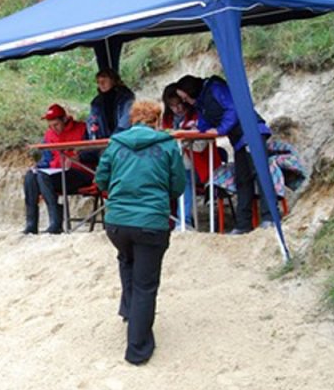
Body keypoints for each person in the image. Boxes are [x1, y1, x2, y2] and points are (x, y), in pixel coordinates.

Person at [95, 100, 186, 365]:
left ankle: (129, 311)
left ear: (133, 119)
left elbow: (101, 179)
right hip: (150, 222)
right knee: (146, 284)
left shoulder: (116, 143)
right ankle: (138, 348)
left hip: (117, 222)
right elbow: (177, 184)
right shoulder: (167, 144)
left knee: (127, 259)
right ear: (156, 121)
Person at [176, 74, 272, 234]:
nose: (185, 102)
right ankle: (243, 225)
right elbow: (205, 121)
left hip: (251, 132)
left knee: (259, 174)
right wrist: (199, 130)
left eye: (185, 98)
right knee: (243, 179)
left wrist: (220, 129)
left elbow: (233, 108)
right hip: (240, 139)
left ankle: (269, 218)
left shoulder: (215, 87)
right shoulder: (201, 101)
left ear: (191, 91)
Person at [161, 83, 223, 230]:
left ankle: (184, 222)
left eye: (179, 103)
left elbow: (201, 144)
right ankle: (166, 222)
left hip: (201, 165)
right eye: (173, 105)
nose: (178, 109)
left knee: (183, 178)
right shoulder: (167, 119)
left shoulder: (198, 114)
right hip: (176, 164)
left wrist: (182, 138)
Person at [23, 103, 90, 234]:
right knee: (31, 175)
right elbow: (47, 159)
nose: (54, 128)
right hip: (56, 173)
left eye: (56, 124)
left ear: (64, 119)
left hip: (80, 172)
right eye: (50, 126)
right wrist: (37, 167)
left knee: (43, 177)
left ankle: (56, 222)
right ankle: (31, 223)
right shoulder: (49, 135)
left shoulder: (82, 129)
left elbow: (94, 152)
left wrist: (80, 157)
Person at [87, 68, 135, 140]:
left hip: (124, 137)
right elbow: (93, 121)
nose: (101, 84)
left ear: (113, 81)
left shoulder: (126, 97)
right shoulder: (96, 102)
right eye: (98, 82)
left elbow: (126, 120)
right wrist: (94, 136)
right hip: (103, 139)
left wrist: (115, 137)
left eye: (104, 81)